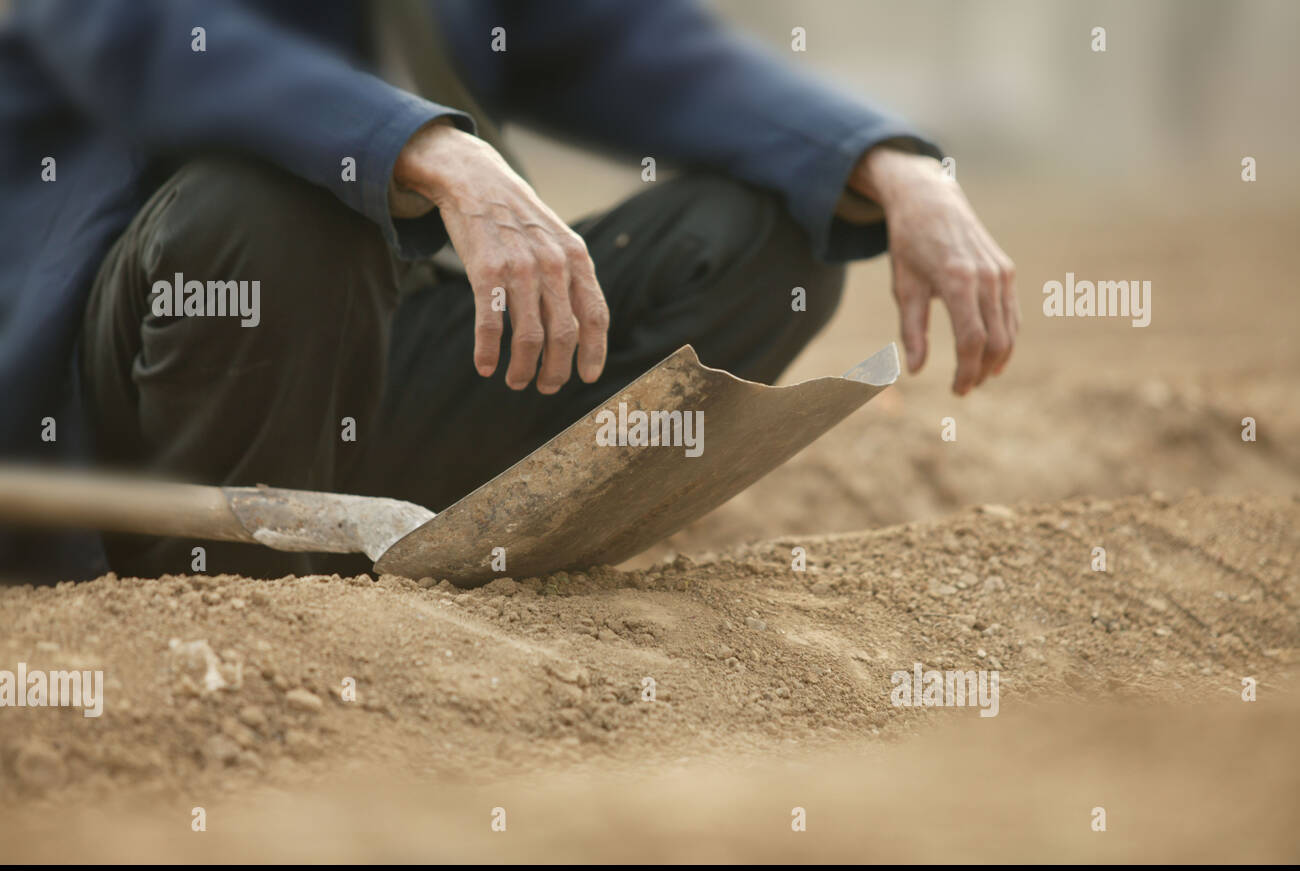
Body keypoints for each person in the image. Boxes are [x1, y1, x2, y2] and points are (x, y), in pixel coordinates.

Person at [0, 0, 1018, 581]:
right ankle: (234, 594)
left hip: (369, 362)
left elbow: (623, 39)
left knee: (757, 233)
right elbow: (146, 38)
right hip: (136, 388)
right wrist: (425, 149)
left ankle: (475, 550)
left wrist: (886, 164)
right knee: (282, 203)